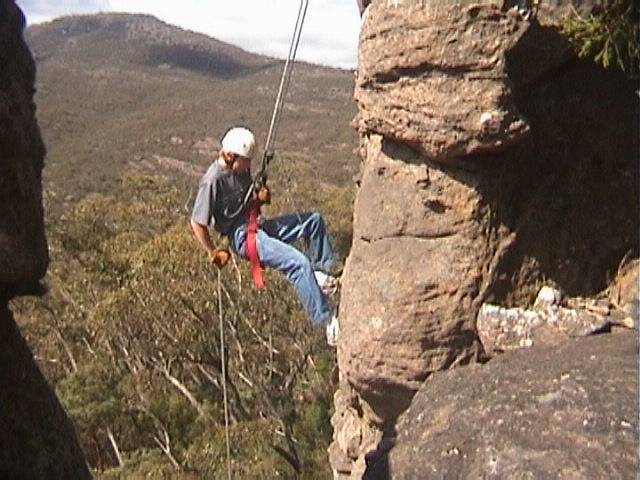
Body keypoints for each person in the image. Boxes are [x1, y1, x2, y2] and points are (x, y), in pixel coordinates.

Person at [190, 127, 340, 346]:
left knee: (313, 221)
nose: (249, 166)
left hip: (257, 224)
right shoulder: (212, 181)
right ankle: (326, 320)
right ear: (231, 156)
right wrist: (212, 251)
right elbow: (197, 223)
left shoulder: (240, 168)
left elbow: (244, 199)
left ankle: (323, 273)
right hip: (243, 237)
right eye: (246, 161)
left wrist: (258, 199)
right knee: (298, 264)